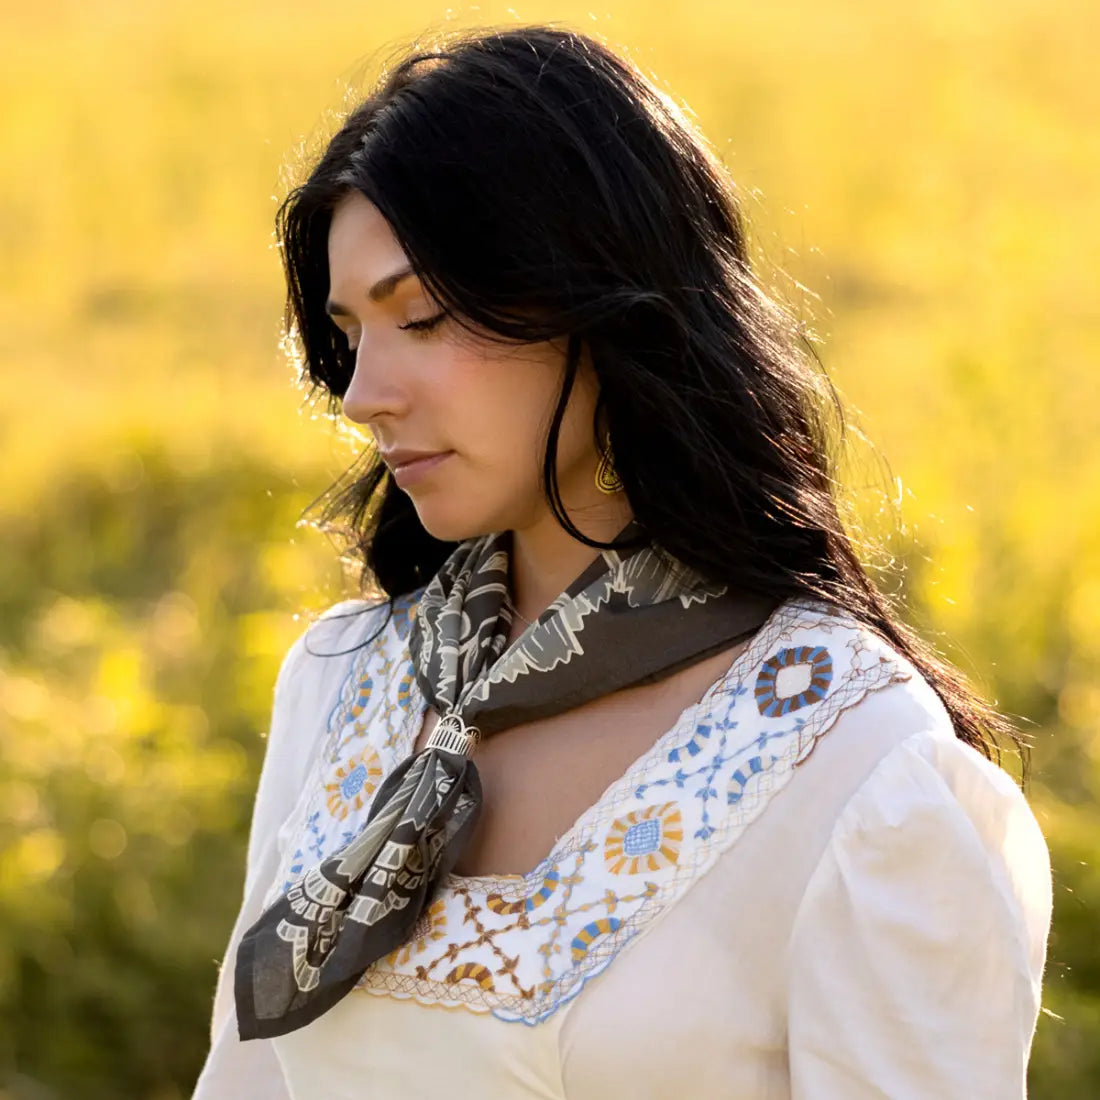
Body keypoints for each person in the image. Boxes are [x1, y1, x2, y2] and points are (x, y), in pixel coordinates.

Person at [192, 23, 1052, 1099]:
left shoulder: (854, 761)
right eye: (351, 333)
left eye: (424, 316)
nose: (364, 393)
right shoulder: (344, 685)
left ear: (596, 303)